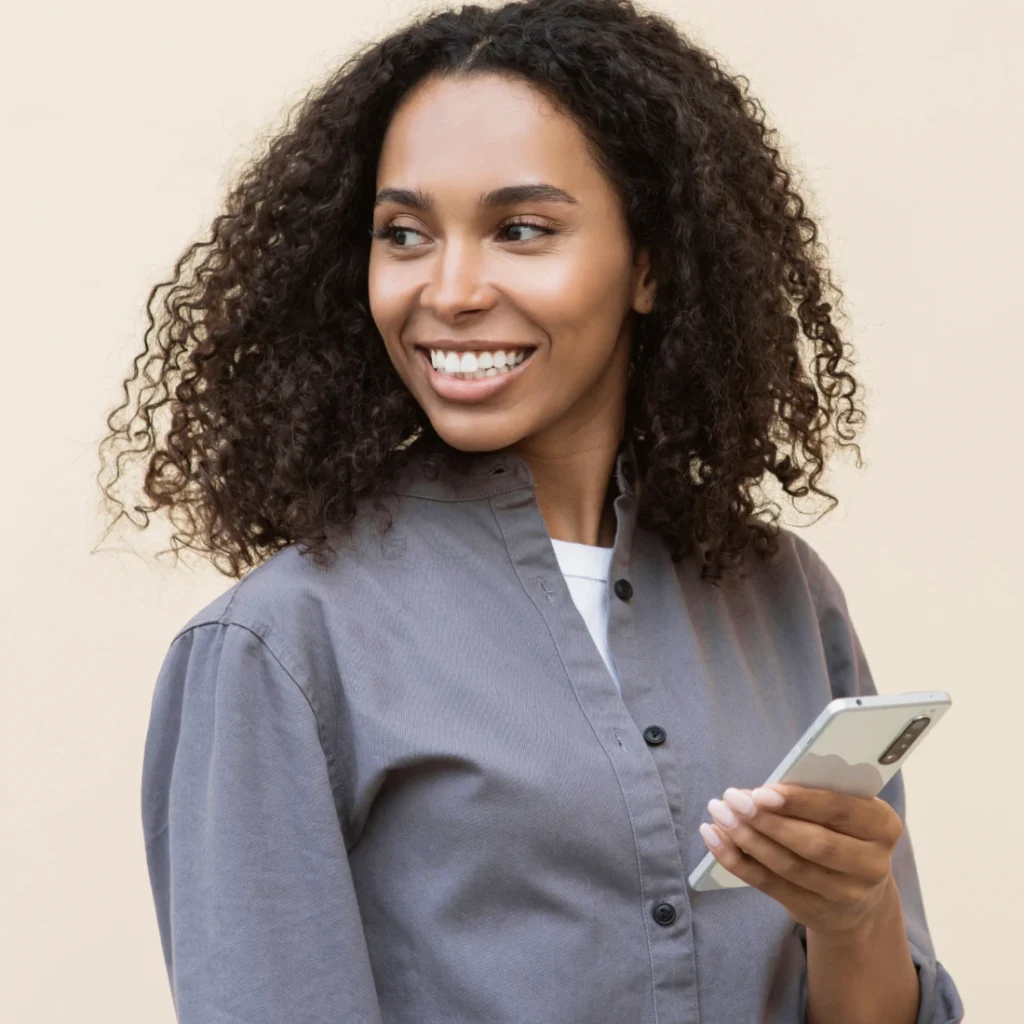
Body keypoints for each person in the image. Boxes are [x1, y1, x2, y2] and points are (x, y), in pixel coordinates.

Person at [98, 1, 964, 1021]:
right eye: (404, 234)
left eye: (521, 229)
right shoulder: (280, 647)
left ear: (647, 265)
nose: (451, 289)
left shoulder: (780, 598)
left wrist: (852, 911)